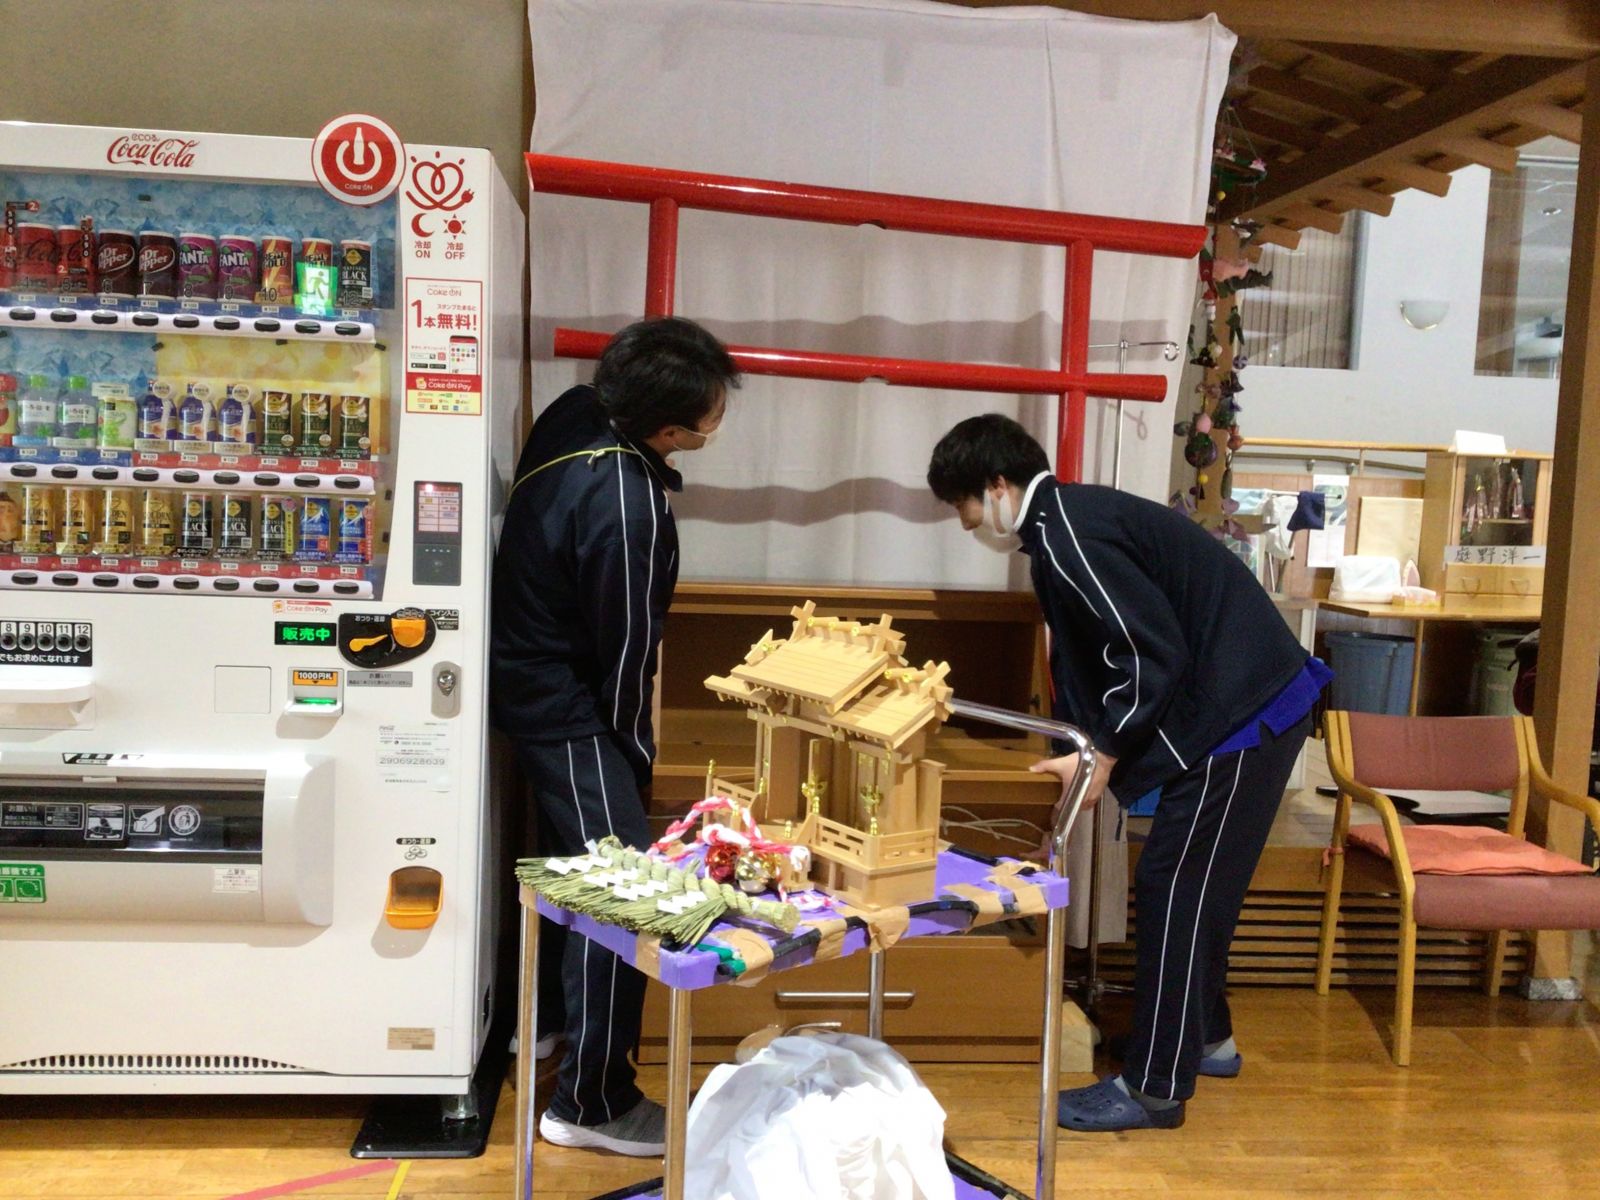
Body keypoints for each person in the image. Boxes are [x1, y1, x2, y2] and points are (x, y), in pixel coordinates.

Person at [926, 413, 1330, 1132]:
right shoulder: (1065, 524)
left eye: (963, 503)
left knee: (1175, 886)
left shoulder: (1067, 533)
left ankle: (1154, 1088)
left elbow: (1147, 655)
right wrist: (1090, 754)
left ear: (997, 484)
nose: (964, 522)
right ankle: (1206, 1040)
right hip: (1247, 701)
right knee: (1196, 887)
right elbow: (1103, 660)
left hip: (1244, 712)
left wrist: (1105, 753)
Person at [492, 316, 739, 1156]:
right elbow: (629, 653)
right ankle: (592, 1102)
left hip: (527, 679)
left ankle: (546, 1027)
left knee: (570, 871)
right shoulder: (628, 501)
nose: (713, 424)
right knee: (628, 888)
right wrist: (634, 757)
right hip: (565, 705)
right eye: (707, 416)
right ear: (667, 429)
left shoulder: (575, 409)